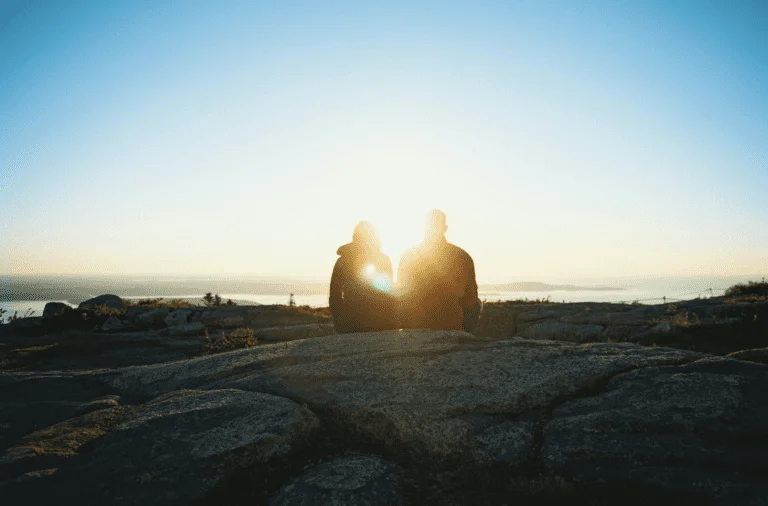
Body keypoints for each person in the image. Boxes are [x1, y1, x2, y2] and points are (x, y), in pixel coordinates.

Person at [398, 210, 481, 331]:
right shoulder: (463, 256)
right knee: (477, 303)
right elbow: (471, 298)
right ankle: (465, 336)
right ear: (445, 228)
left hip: (415, 323)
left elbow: (401, 293)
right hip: (451, 323)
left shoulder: (408, 255)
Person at [329, 221, 397, 333]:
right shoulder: (383, 259)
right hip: (378, 323)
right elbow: (389, 294)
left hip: (351, 323)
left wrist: (340, 322)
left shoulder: (342, 261)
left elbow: (334, 296)